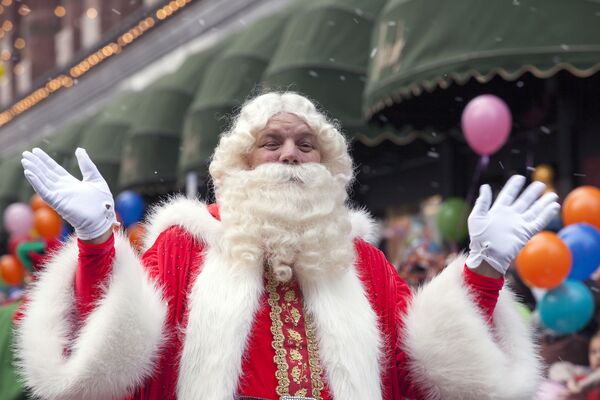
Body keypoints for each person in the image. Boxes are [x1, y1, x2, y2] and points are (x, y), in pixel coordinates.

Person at [15, 92, 559, 400]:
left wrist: (483, 272)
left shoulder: (360, 262)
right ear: (241, 164)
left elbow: (424, 373)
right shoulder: (187, 248)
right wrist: (94, 244)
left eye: (306, 145)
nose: (291, 155)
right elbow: (114, 366)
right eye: (270, 144)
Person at [549, 332, 600, 399]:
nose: (598, 356)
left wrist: (581, 387)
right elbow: (556, 368)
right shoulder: (585, 372)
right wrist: (570, 382)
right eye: (593, 352)